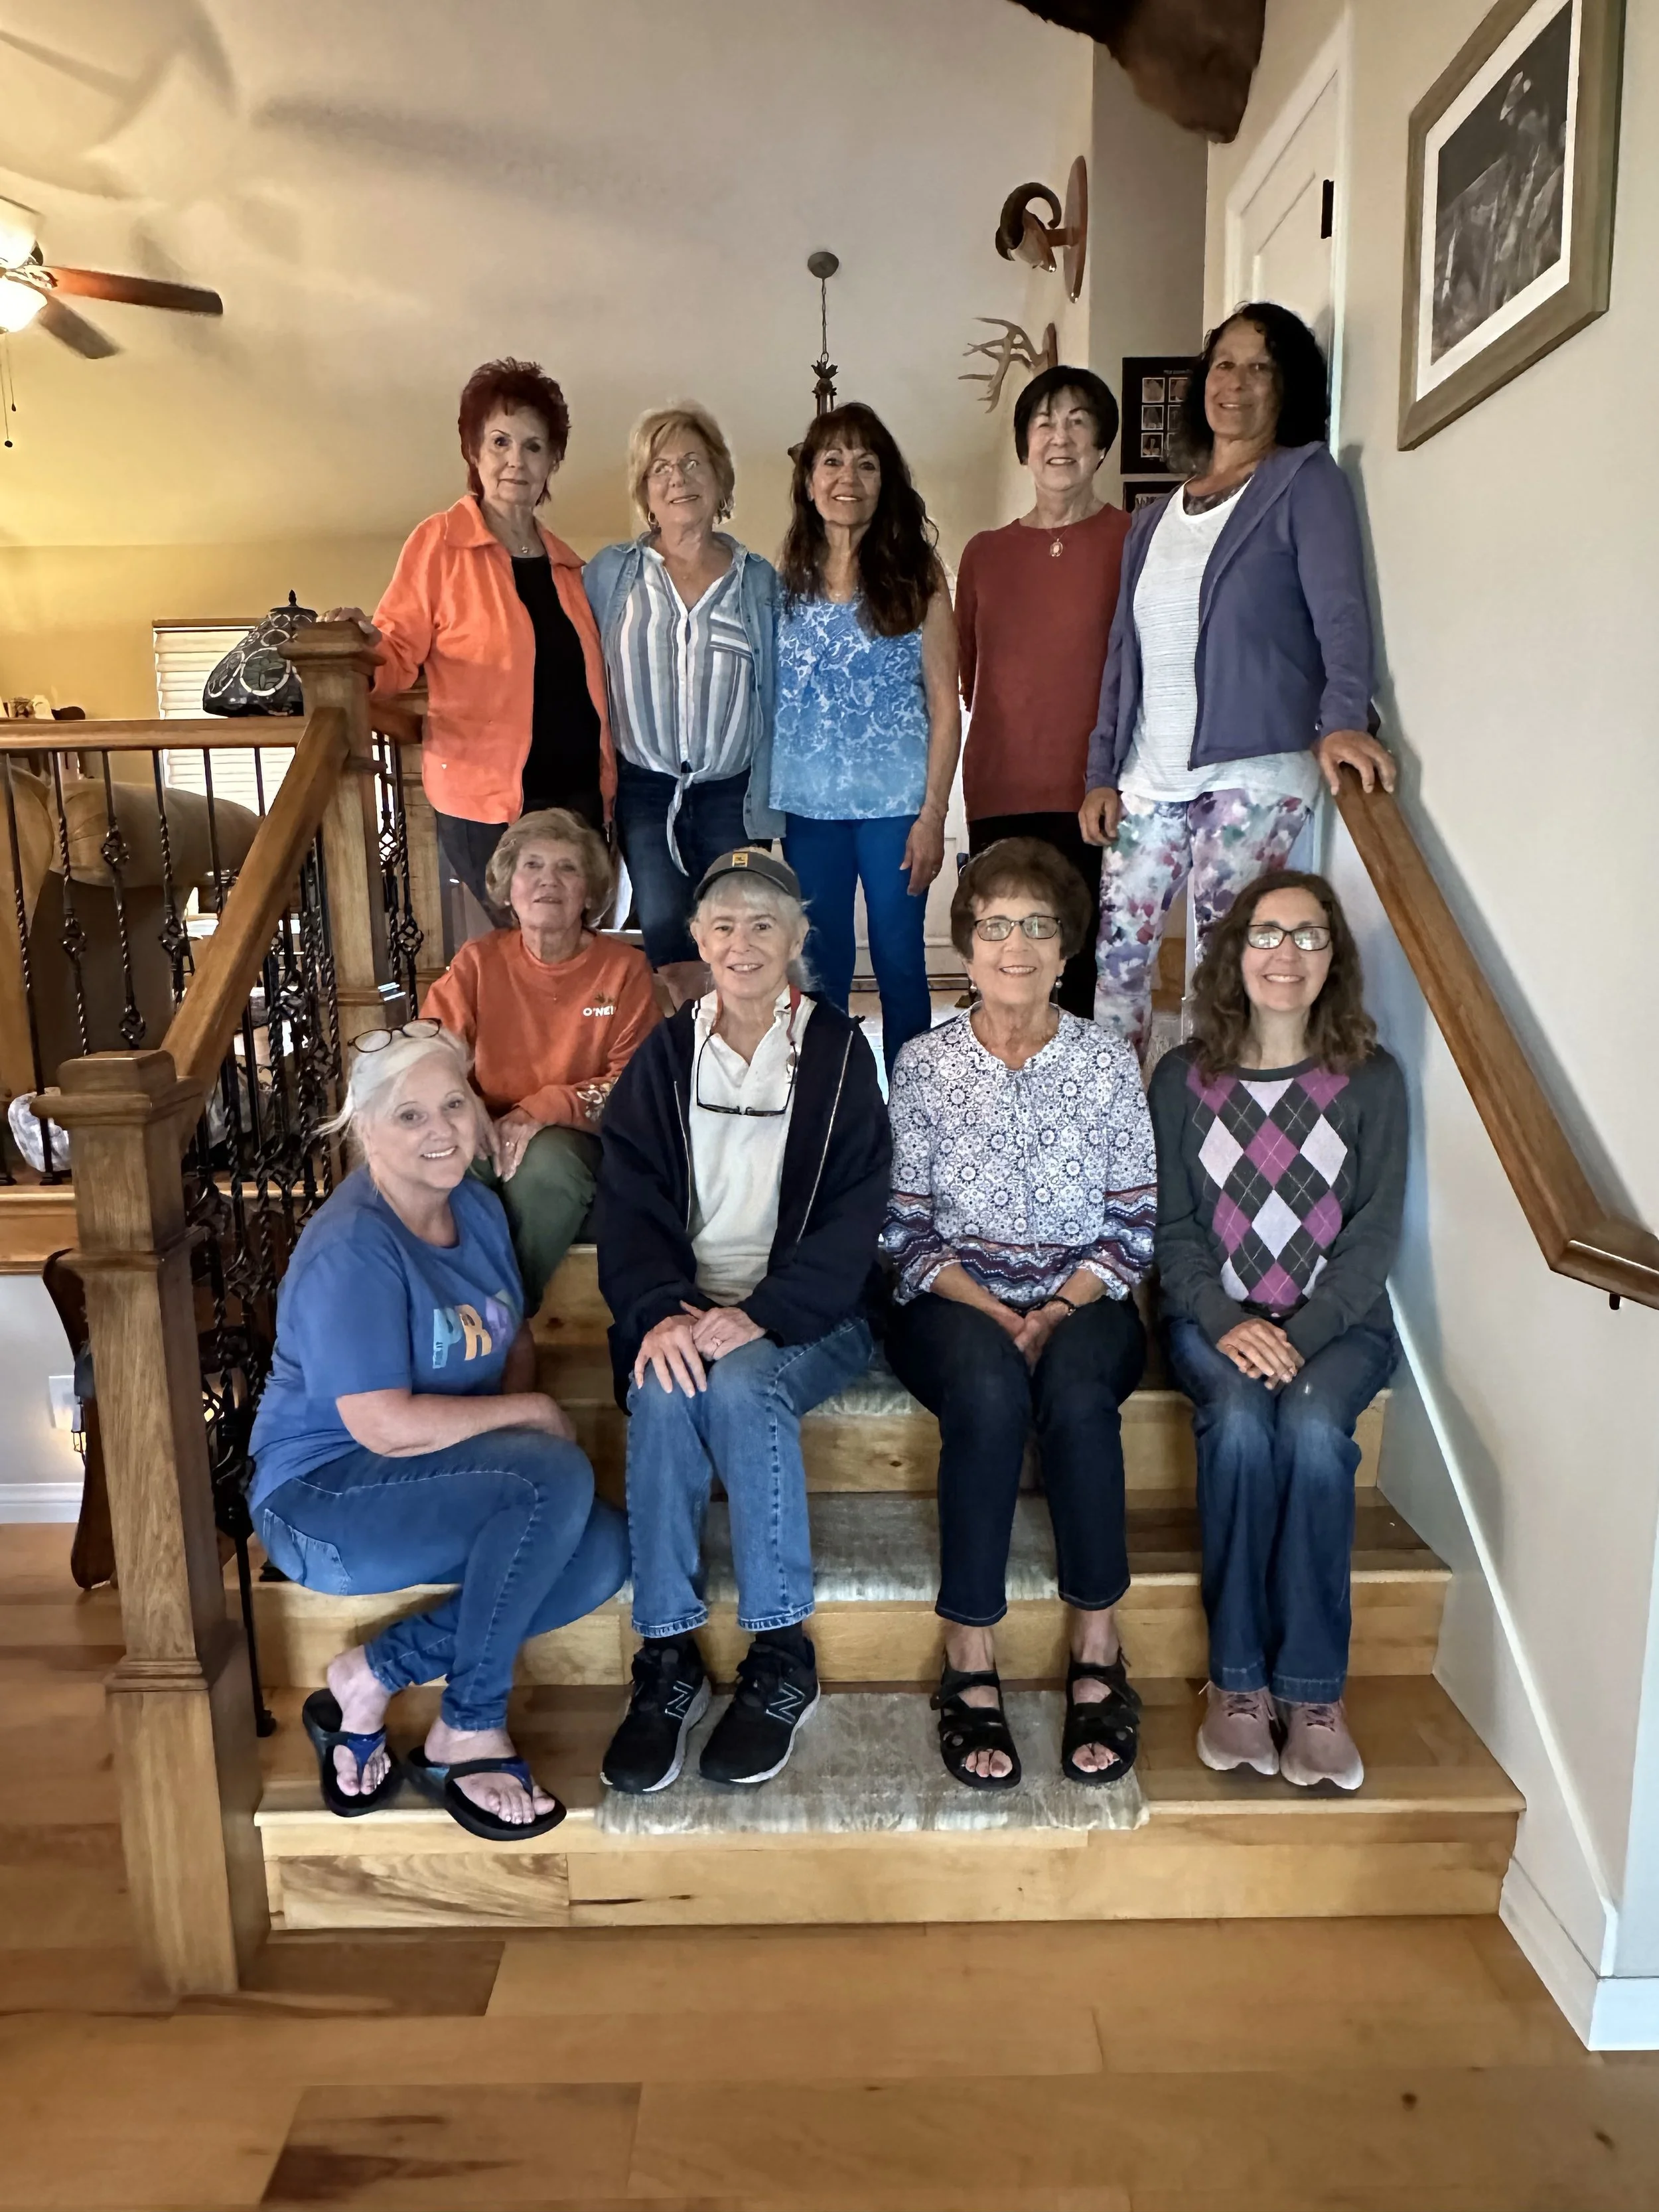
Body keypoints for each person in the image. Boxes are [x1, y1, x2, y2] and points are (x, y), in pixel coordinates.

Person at [247, 1025, 629, 1840]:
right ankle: (469, 1727)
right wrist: (527, 1428)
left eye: (455, 1105)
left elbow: (513, 1340)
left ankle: (372, 1674)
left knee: (602, 1550)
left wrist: (520, 1444)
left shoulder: (476, 1209)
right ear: (365, 1129)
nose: (442, 1130)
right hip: (322, 1500)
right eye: (410, 1115)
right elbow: (381, 1425)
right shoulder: (353, 1247)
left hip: (425, 1481)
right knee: (552, 1478)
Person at [595, 849, 891, 1792]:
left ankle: (780, 1651)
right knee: (662, 1383)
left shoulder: (838, 1051)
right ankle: (666, 1654)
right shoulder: (665, 1054)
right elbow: (629, 1201)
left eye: (765, 923)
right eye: (723, 924)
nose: (742, 942)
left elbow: (858, 1214)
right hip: (686, 1302)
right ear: (697, 938)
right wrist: (660, 1311)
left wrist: (763, 1313)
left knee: (742, 1383)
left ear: (799, 938)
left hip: (810, 1311)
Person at [882, 840, 1157, 1790]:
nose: (1016, 945)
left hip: (1088, 1297)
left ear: (1066, 948)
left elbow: (1133, 1224)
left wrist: (1059, 1307)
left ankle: (1097, 1644)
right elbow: (903, 1227)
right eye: (995, 924)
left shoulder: (1106, 1061)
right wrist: (997, 1311)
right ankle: (969, 1651)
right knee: (990, 1392)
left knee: (1077, 1393)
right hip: (953, 1297)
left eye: (1038, 925)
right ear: (967, 945)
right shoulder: (923, 1065)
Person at [1080, 303, 1396, 1055]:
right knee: (1118, 968)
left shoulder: (1304, 480)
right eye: (1225, 363)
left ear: (1288, 387)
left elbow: (1340, 611)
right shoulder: (1153, 518)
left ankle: (1206, 1117)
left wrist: (1343, 716)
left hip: (1253, 771)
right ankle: (1114, 1120)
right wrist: (1101, 772)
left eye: (1261, 367)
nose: (1237, 382)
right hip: (1148, 774)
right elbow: (1124, 651)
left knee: (1220, 974)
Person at [1149, 869, 1405, 1791]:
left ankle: (1314, 1693)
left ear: (1334, 957)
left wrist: (1304, 1329)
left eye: (1308, 936)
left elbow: (1374, 1234)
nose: (1285, 954)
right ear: (1236, 951)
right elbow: (1173, 1230)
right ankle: (1238, 1683)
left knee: (1310, 1428)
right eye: (1267, 933)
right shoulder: (1183, 1078)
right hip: (1211, 1322)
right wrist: (1227, 1321)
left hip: (1341, 1327)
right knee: (1240, 1427)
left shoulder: (1371, 1080)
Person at [323, 358, 614, 914]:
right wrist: (357, 646)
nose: (516, 460)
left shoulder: (570, 568)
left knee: (572, 948)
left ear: (552, 461)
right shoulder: (440, 544)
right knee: (526, 945)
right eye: (500, 442)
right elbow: (397, 653)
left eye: (533, 446)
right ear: (474, 452)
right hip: (488, 802)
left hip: (578, 796)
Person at [770, 402, 960, 1075]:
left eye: (866, 463)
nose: (847, 477)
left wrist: (933, 815)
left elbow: (945, 705)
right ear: (808, 481)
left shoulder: (919, 577)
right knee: (819, 965)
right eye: (832, 461)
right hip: (807, 808)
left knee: (900, 960)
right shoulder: (781, 583)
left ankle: (911, 1109)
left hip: (895, 807)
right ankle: (833, 1100)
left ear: (886, 482)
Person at [420, 806, 658, 1316]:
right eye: (532, 865)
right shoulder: (478, 961)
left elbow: (636, 1084)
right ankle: (438, 1308)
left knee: (545, 1166)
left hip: (579, 1136)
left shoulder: (625, 970)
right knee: (443, 1158)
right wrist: (468, 1110)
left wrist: (543, 1108)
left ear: (590, 893)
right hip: (484, 1121)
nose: (548, 880)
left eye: (568, 868)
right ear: (509, 889)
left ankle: (503, 1315)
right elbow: (429, 1054)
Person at [584, 404, 781, 1009]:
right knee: (668, 937)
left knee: (738, 938)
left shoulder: (758, 581)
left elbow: (780, 691)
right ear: (645, 489)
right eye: (661, 468)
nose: (679, 479)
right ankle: (684, 1056)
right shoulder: (611, 574)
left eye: (694, 462)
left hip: (732, 791)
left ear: (720, 478)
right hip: (645, 788)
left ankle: (740, 1050)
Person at [956, 366, 1130, 1019]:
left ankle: (1075, 1083)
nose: (1060, 438)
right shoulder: (984, 554)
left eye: (1078, 422)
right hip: (1000, 784)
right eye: (1044, 423)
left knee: (1082, 959)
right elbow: (969, 672)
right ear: (1024, 445)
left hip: (1095, 787)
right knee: (1002, 956)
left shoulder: (1132, 539)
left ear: (1102, 445)